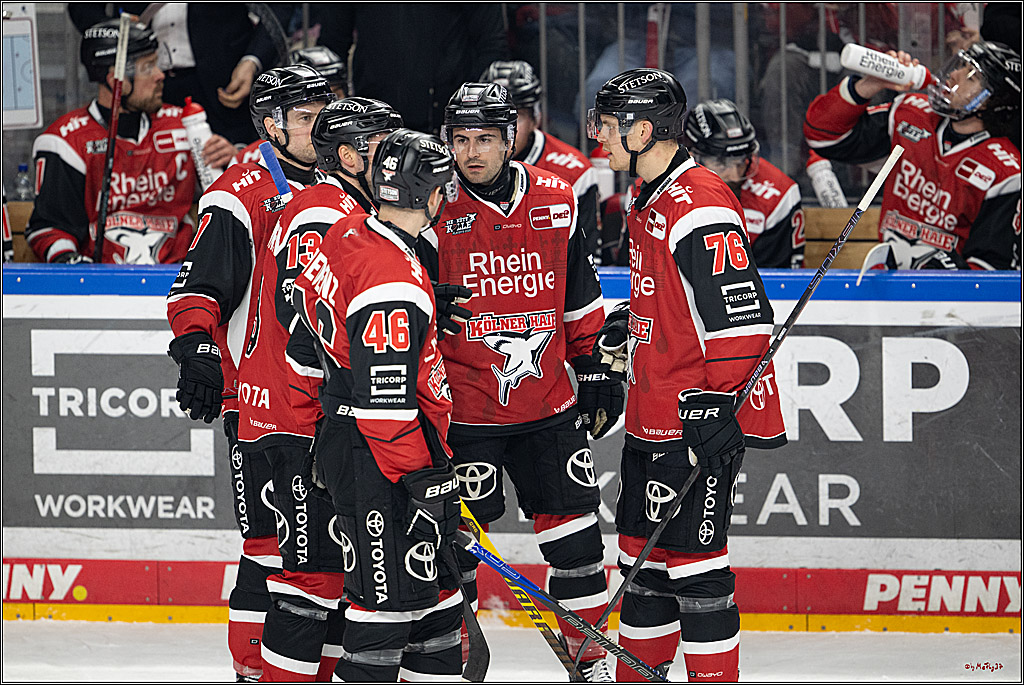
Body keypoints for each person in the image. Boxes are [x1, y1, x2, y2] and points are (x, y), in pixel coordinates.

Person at [588, 68, 786, 681]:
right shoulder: (648, 196)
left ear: (643, 131)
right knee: (643, 575)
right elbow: (676, 300)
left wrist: (717, 409)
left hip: (690, 424)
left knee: (698, 576)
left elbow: (742, 321)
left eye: (609, 125)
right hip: (650, 420)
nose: (599, 136)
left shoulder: (699, 204)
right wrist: (630, 322)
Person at [421, 82, 619, 681]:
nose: (471, 152)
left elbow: (579, 298)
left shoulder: (557, 198)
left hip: (549, 409)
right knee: (450, 553)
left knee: (578, 547)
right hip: (465, 416)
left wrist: (596, 372)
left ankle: (590, 660)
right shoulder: (431, 206)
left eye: (484, 138)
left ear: (510, 139)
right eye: (459, 140)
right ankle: (452, 660)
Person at [165, 64, 337, 682]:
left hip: (326, 403)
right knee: (268, 548)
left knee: (326, 554)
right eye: (305, 116)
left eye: (323, 111)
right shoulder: (238, 193)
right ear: (271, 126)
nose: (320, 125)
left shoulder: (336, 182)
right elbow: (197, 288)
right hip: (258, 405)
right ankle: (251, 670)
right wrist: (197, 349)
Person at [231, 97, 402, 683]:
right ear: (349, 156)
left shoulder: (341, 205)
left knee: (330, 574)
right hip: (299, 418)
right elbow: (309, 318)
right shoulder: (323, 211)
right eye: (380, 145)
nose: (392, 156)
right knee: (311, 577)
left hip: (308, 413)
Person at [289, 128, 465, 681]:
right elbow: (384, 408)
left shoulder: (348, 230)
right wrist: (422, 479)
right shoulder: (392, 284)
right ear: (429, 195)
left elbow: (302, 335)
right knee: (384, 616)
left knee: (436, 608)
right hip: (382, 459)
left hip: (356, 439)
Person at [24, 19, 232, 265]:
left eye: (157, 64)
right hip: (102, 282)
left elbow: (229, 201)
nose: (160, 75)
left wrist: (232, 161)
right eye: (148, 67)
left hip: (180, 277)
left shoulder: (183, 126)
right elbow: (49, 227)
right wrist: (73, 265)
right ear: (116, 81)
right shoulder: (66, 142)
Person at [804, 42, 1022, 270]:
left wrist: (932, 277)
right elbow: (822, 135)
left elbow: (991, 269)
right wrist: (870, 84)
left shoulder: (1006, 172)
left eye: (971, 77)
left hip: (947, 290)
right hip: (887, 279)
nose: (955, 75)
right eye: (961, 66)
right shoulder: (912, 115)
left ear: (992, 100)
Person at [68, 3, 289, 145]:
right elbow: (82, 7)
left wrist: (252, 60)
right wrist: (113, 33)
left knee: (230, 167)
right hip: (143, 82)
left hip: (225, 82)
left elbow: (281, 6)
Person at [316, 5, 508, 133]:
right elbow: (332, 45)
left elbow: (491, 44)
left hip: (446, 120)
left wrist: (472, 115)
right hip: (372, 119)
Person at [480, 59, 602, 259]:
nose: (503, 131)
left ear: (535, 118)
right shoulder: (459, 167)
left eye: (514, 118)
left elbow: (588, 259)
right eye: (491, 117)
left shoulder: (574, 172)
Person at [684, 99, 805, 269]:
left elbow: (777, 278)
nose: (734, 176)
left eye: (740, 161)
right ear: (692, 156)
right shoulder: (659, 188)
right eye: (721, 163)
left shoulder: (780, 195)